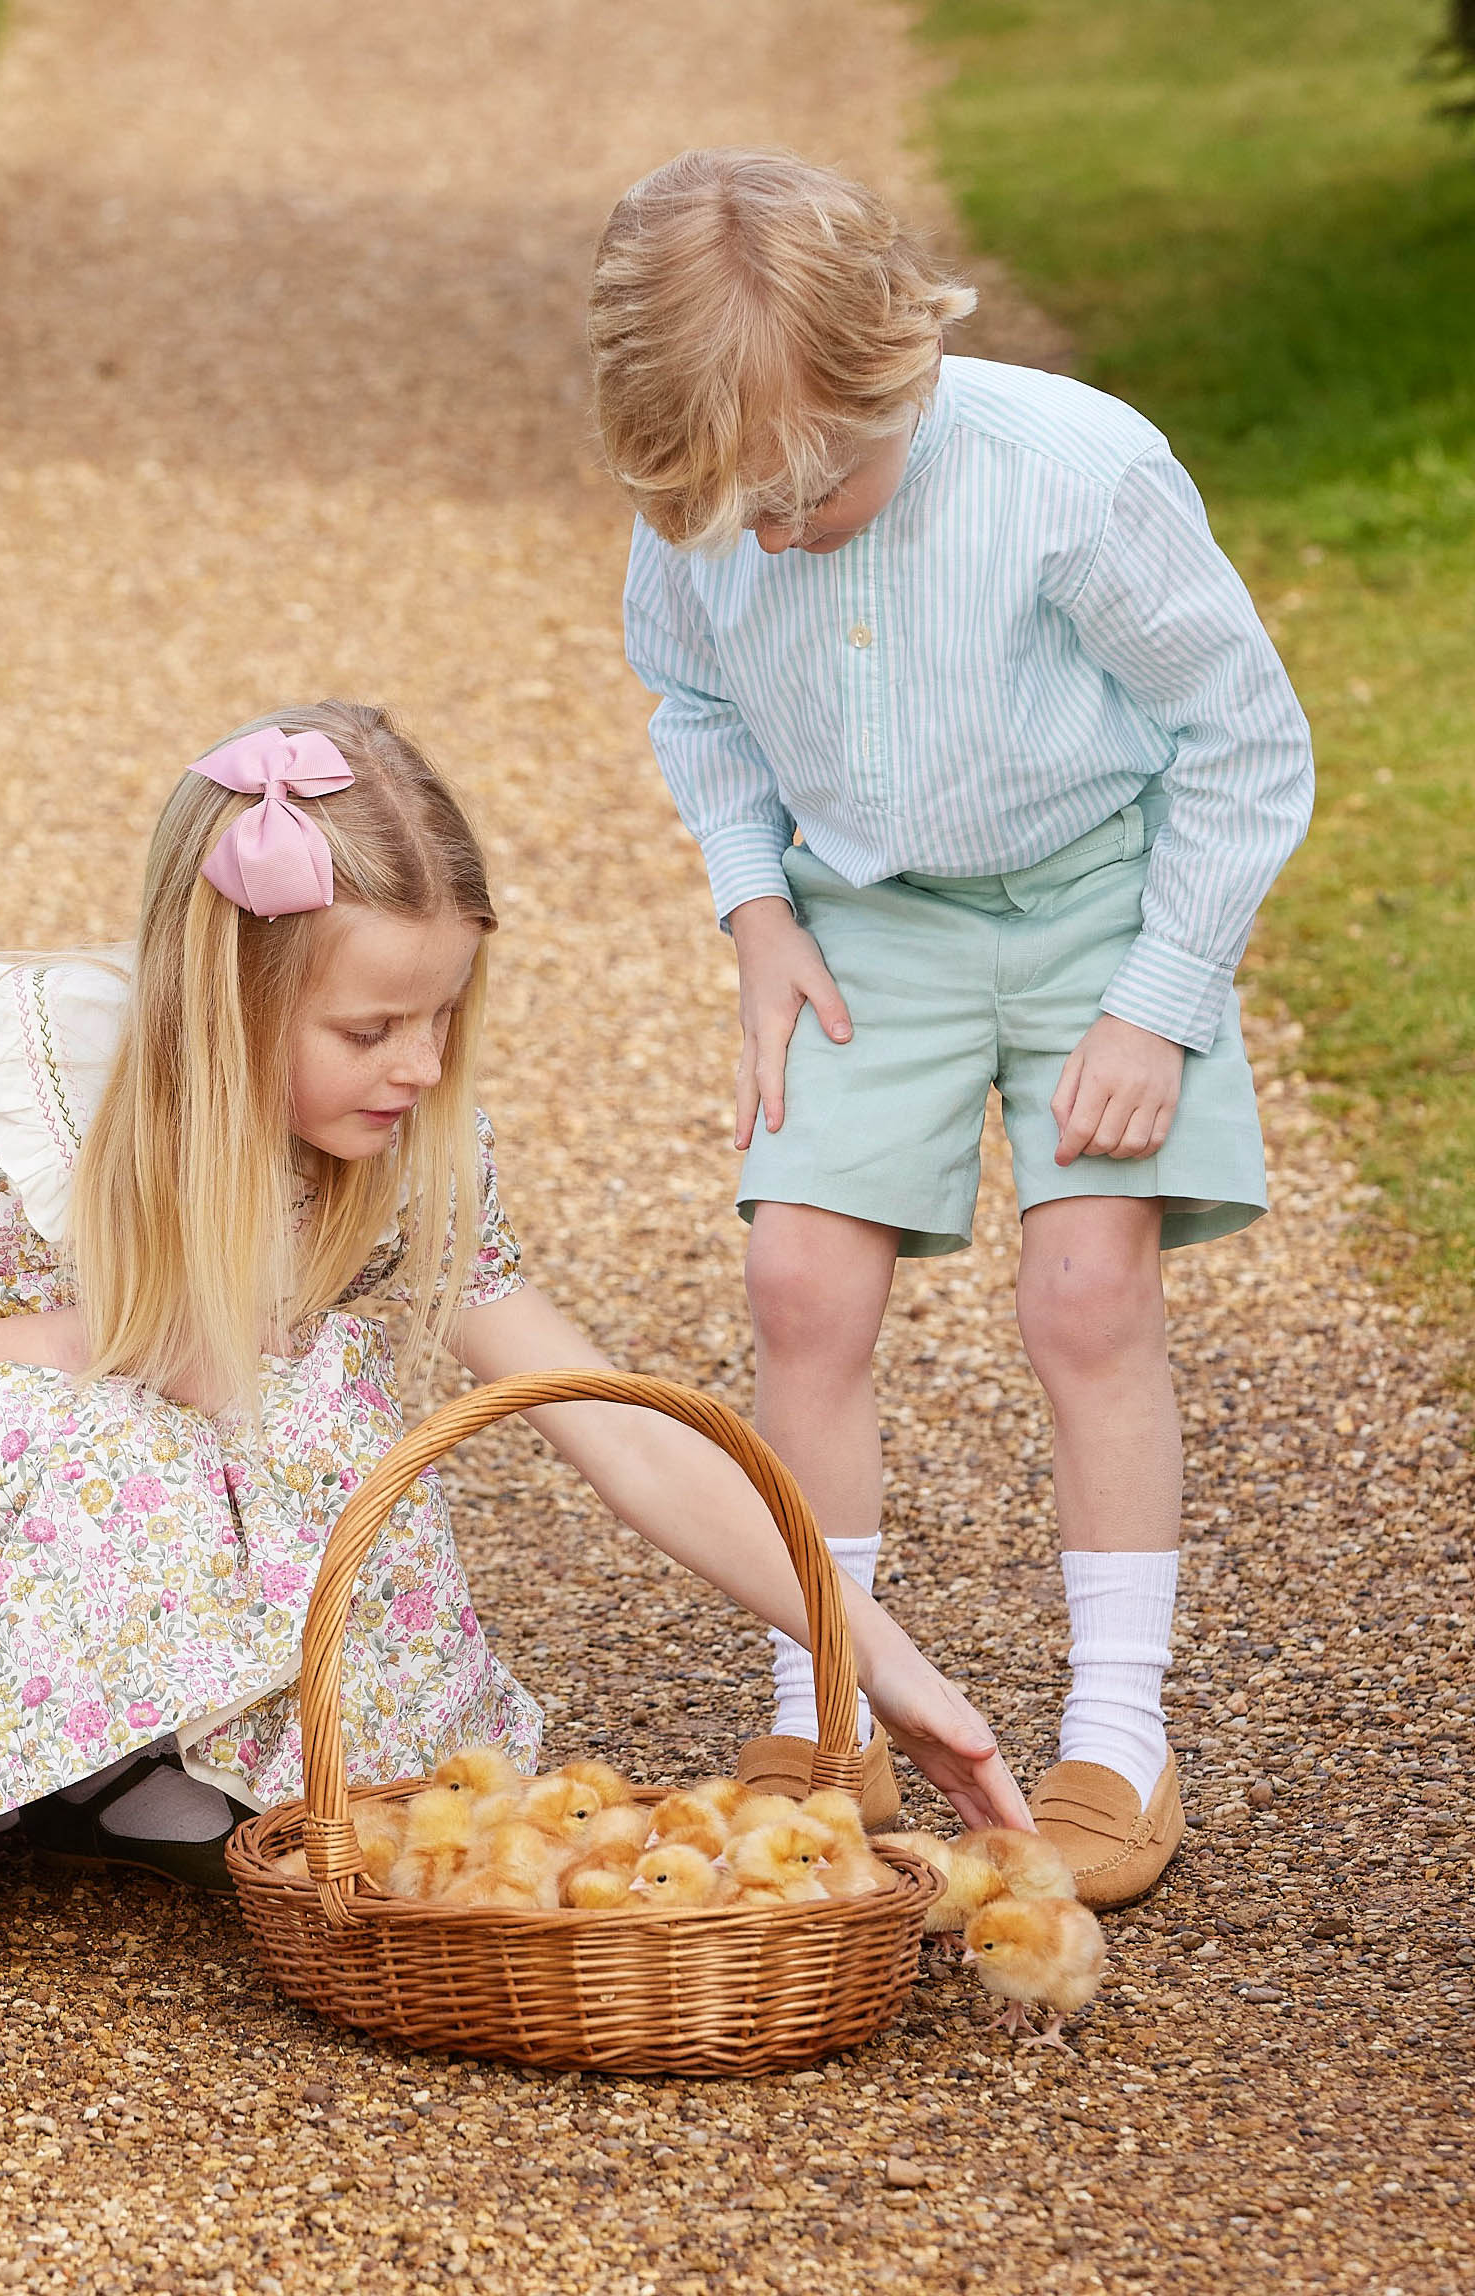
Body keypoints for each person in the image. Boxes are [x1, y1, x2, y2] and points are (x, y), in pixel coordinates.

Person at [0, 699, 1029, 1940]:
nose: (419, 1066)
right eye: (371, 1031)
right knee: (134, 1432)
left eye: (443, 1020)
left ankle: (113, 1775)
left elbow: (617, 1424)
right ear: (228, 1000)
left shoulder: (398, 1151)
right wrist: (120, 1340)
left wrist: (884, 1667)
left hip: (124, 1506)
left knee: (339, 1525)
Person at [592, 150, 1314, 1908]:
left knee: (1087, 1292)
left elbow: (1242, 742)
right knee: (800, 1287)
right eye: (732, 515)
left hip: (1098, 906)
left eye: (809, 494)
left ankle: (1115, 1738)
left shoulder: (1074, 476)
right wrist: (757, 915)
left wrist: (1160, 999)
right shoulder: (708, 501)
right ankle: (821, 1701)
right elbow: (695, 704)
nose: (770, 536)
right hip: (864, 920)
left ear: (898, 377)